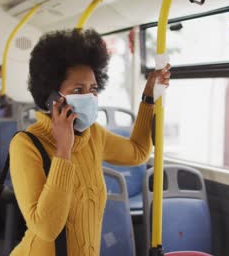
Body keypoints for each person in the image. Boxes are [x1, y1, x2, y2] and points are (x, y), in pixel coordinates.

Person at [9, 28, 170, 255]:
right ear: (52, 98)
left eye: (93, 89)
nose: (89, 97)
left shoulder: (94, 134)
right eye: (78, 89)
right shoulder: (26, 145)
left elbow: (138, 152)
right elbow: (46, 228)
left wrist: (148, 98)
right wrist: (64, 148)